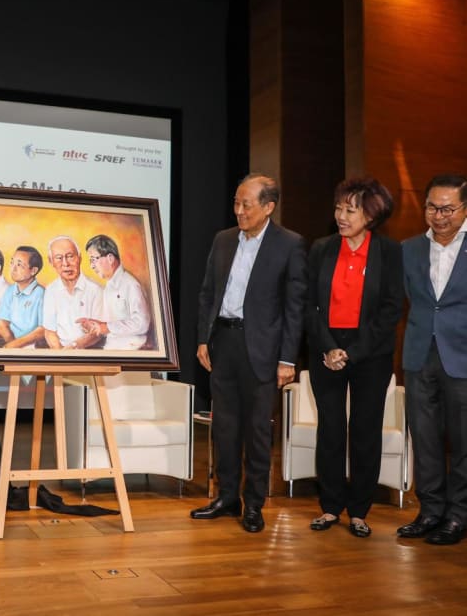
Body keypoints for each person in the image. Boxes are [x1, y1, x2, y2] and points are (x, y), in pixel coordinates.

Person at [191, 173, 307, 532]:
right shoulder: (224, 240)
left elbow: (294, 307)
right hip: (223, 342)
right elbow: (208, 293)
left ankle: (253, 503)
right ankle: (227, 496)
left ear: (269, 207)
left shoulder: (289, 244)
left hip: (263, 350)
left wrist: (287, 359)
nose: (239, 211)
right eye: (236, 203)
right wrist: (203, 339)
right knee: (224, 427)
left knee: (256, 431)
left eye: (247, 205)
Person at [305, 177, 403, 538]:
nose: (341, 216)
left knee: (365, 430)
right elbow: (309, 305)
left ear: (371, 216)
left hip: (371, 353)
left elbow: (392, 309)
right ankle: (330, 507)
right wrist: (329, 347)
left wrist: (354, 351)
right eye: (338, 208)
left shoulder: (389, 253)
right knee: (330, 429)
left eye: (350, 209)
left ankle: (359, 510)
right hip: (325, 349)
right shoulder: (321, 248)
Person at [398, 174, 467, 546]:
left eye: (447, 209)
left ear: (464, 208)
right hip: (419, 353)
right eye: (431, 207)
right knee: (424, 437)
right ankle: (430, 511)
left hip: (463, 357)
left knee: (462, 440)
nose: (438, 216)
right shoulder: (408, 248)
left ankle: (458, 515)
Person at [78, 234, 151, 350]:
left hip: (133, 350)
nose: (91, 266)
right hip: (112, 348)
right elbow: (112, 324)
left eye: (93, 260)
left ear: (110, 258)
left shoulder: (131, 285)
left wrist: (107, 327)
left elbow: (142, 323)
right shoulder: (108, 286)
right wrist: (96, 326)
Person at [42, 236, 105, 349]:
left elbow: (97, 333)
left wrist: (73, 347)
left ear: (79, 258)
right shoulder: (51, 290)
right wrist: (60, 355)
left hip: (89, 351)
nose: (66, 263)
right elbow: (49, 331)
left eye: (70, 256)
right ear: (51, 262)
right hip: (60, 351)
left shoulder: (96, 290)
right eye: (59, 258)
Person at [0, 246, 46, 348]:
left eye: (19, 265)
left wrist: (16, 345)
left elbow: (42, 329)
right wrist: (11, 343)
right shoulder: (10, 290)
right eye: (12, 263)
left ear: (33, 271)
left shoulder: (41, 293)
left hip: (32, 344)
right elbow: (2, 322)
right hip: (10, 342)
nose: (13, 268)